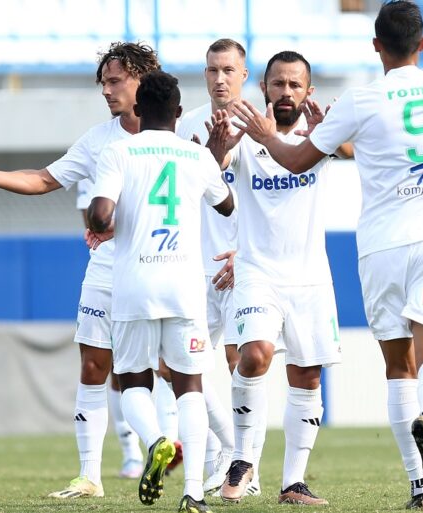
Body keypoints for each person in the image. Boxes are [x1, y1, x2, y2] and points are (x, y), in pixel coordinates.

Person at [232, 1, 423, 509]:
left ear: (375, 45)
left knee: (398, 366)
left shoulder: (359, 101)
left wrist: (270, 136)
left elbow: (297, 159)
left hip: (381, 247)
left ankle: (419, 486)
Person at [0, 41, 160, 499]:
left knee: (163, 369)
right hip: (106, 268)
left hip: (160, 268)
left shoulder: (177, 135)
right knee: (93, 365)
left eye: (115, 81)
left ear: (141, 80)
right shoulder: (98, 139)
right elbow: (46, 179)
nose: (106, 90)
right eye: (103, 82)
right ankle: (91, 476)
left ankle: (199, 460)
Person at [87, 69, 234, 513]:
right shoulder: (196, 156)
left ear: (138, 108)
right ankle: (193, 492)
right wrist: (209, 160)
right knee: (190, 385)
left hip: (135, 284)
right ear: (179, 112)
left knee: (132, 379)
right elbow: (226, 204)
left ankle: (154, 441)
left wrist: (103, 220)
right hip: (185, 285)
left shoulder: (118, 152)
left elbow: (100, 215)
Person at [206, 51, 343, 506]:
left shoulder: (319, 135)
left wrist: (331, 132)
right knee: (255, 354)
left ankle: (293, 483)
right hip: (256, 271)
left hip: (310, 277)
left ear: (308, 92)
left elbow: (352, 150)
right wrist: (218, 147)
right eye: (278, 83)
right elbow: (213, 172)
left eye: (295, 85)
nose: (286, 92)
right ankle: (242, 459)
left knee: (307, 375)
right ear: (263, 87)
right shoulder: (245, 131)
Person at [174, 38, 262, 497]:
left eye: (229, 70)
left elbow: (266, 201)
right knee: (178, 364)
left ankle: (246, 469)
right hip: (194, 263)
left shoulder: (259, 127)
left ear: (244, 75)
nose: (220, 78)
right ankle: (226, 456)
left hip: (243, 263)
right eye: (213, 70)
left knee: (242, 362)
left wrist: (244, 251)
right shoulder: (186, 126)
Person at [76, 179, 145, 479]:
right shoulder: (92, 156)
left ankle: (203, 452)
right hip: (104, 276)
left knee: (164, 368)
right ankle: (130, 454)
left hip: (151, 272)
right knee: (103, 368)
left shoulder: (160, 154)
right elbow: (94, 222)